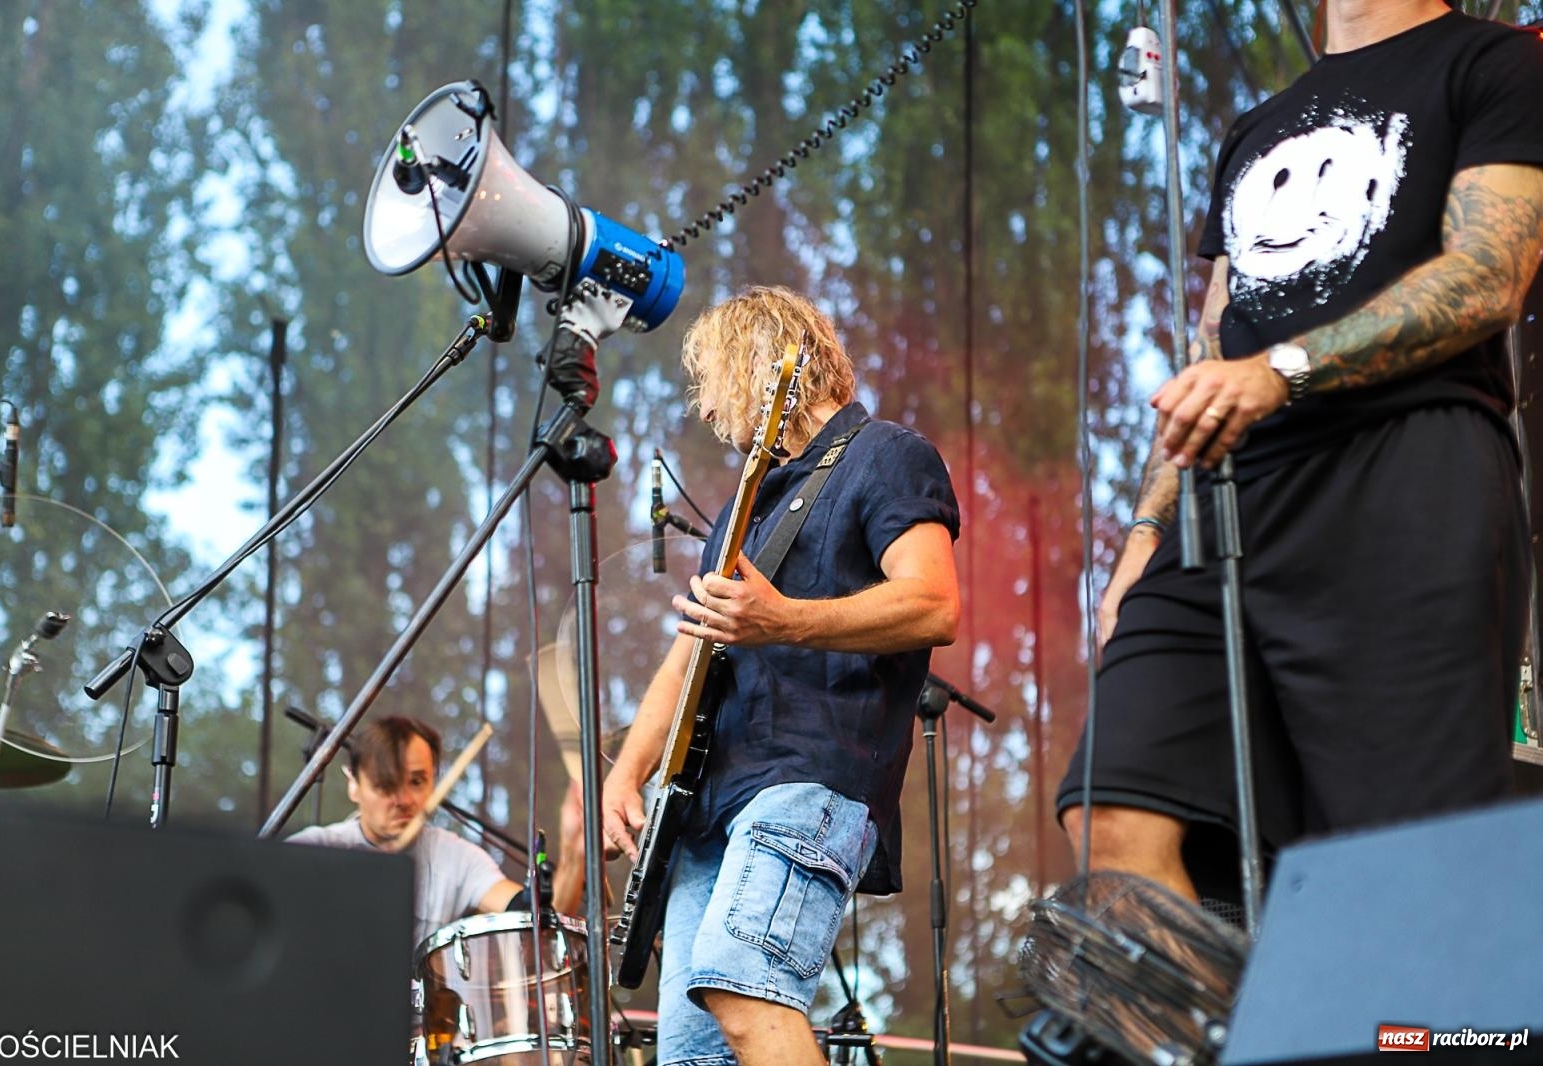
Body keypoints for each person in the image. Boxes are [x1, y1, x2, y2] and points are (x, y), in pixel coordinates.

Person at [1057, 0, 1543, 906]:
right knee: (1113, 813)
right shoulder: (1257, 126)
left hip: (1405, 472)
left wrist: (1284, 370)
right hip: (1228, 498)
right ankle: (1211, 1044)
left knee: (1394, 860)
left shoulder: (1495, 65)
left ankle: (1414, 1040)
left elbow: (1489, 278)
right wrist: (1140, 542)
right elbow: (1214, 348)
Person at [600, 286, 962, 1066]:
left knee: (746, 981)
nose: (706, 408)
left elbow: (935, 603)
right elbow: (690, 651)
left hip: (809, 779)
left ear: (761, 365)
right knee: (694, 1055)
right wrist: (626, 772)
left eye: (712, 380)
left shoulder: (887, 455)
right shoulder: (744, 510)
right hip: (708, 808)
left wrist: (783, 619)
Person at [288, 715, 524, 947]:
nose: (404, 800)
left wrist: (563, 856)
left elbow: (526, 911)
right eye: (386, 784)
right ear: (354, 785)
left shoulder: (457, 858)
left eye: (416, 782)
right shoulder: (313, 848)